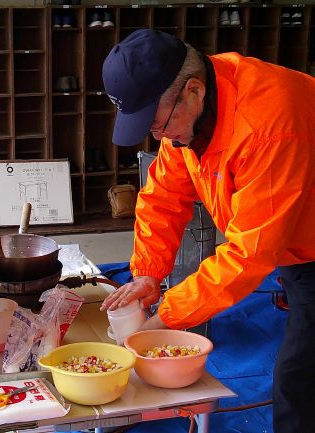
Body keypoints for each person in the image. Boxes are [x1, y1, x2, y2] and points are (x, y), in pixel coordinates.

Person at [100, 29, 315, 433]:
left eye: (158, 124)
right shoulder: (188, 113)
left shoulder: (268, 127)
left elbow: (251, 251)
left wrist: (167, 315)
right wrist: (148, 274)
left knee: (299, 381)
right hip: (295, 238)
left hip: (303, 242)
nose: (158, 136)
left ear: (194, 91)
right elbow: (163, 198)